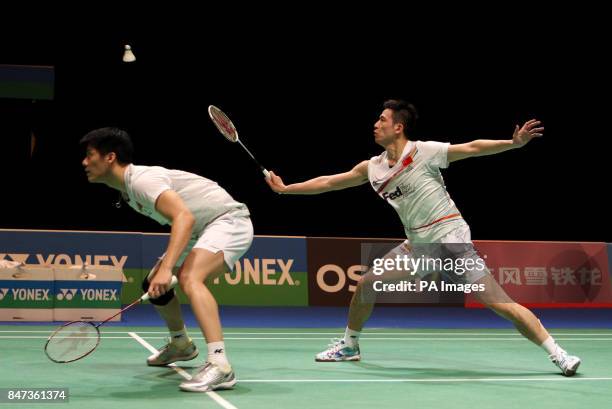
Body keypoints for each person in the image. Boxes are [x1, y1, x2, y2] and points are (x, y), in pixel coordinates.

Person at [265, 100, 581, 376]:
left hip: (450, 240)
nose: (375, 125)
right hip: (418, 245)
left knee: (501, 304)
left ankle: (558, 353)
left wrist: (512, 144)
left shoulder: (424, 152)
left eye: (382, 121)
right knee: (368, 282)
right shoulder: (372, 167)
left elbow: (471, 148)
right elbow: (330, 182)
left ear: (398, 127)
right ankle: (349, 345)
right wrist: (287, 188)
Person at [80, 127, 253, 391]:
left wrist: (168, 267)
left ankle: (220, 366)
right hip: (200, 229)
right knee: (153, 284)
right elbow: (184, 220)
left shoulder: (141, 181)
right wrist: (162, 272)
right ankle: (181, 345)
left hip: (226, 220)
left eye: (90, 155)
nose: (84, 162)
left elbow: (184, 217)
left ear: (110, 157)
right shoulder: (127, 192)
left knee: (189, 278)